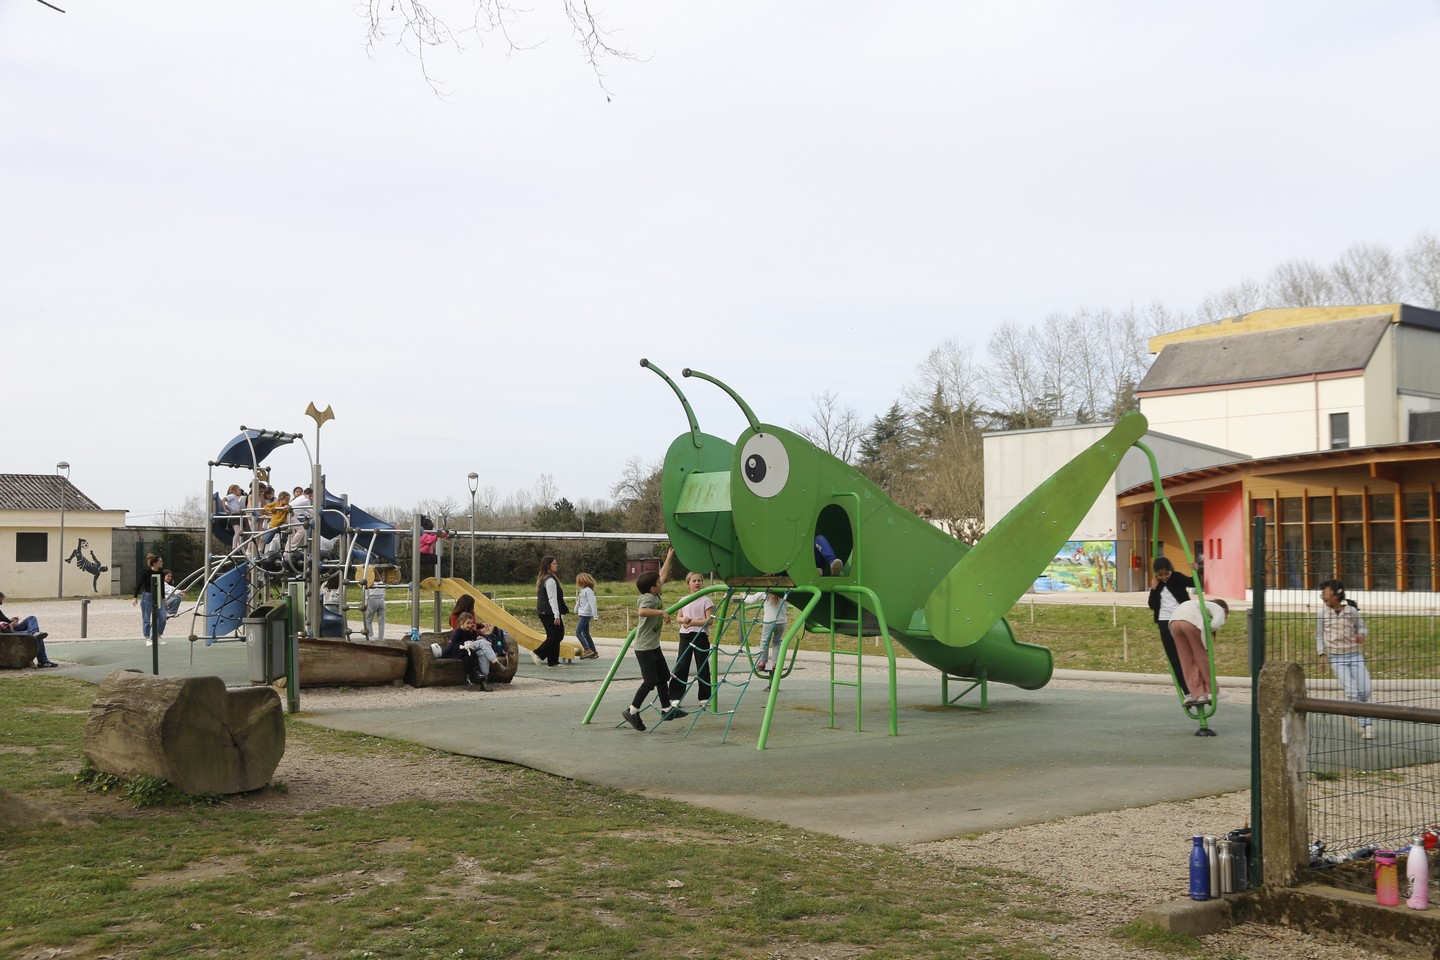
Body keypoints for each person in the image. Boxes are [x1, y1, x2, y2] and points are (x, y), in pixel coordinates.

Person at [620, 549, 685, 731]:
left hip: (653, 646)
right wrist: (662, 612)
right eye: (658, 583)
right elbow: (642, 612)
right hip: (644, 648)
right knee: (649, 681)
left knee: (663, 677)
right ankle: (632, 711)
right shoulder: (647, 598)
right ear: (652, 588)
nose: (661, 582)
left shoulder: (654, 593)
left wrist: (670, 556)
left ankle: (666, 709)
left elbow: (661, 575)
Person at [1316, 579, 1374, 740]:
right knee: (1351, 692)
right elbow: (1319, 635)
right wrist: (1322, 655)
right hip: (1336, 658)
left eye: (1326, 593)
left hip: (1355, 655)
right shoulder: (1322, 614)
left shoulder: (1351, 612)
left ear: (1337, 594)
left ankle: (1352, 709)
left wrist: (1361, 634)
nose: (1323, 597)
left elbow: (1361, 627)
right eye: (1322, 594)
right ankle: (1366, 724)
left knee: (1366, 689)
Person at [1169, 596, 1229, 707]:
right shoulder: (1218, 608)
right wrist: (1211, 628)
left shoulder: (1200, 605)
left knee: (1186, 660)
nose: (1225, 619)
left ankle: (1197, 693)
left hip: (1173, 624)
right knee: (1201, 658)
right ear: (1225, 611)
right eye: (1226, 617)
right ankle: (1214, 691)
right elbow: (1215, 624)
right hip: (1190, 622)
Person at [1147, 557, 1194, 697]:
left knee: (1187, 653)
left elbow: (1193, 582)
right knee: (1174, 657)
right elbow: (1151, 605)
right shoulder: (1157, 583)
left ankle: (1197, 686)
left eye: (1166, 574)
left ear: (1170, 570)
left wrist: (1196, 571)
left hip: (1180, 618)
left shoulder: (1177, 577)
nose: (1164, 577)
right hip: (1164, 621)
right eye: (1160, 575)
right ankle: (1187, 691)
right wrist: (1154, 589)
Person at [670, 570, 716, 705]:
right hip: (685, 635)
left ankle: (704, 696)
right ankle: (675, 696)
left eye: (699, 581)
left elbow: (710, 620)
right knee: (682, 664)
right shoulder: (684, 600)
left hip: (700, 635)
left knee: (702, 665)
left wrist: (693, 622)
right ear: (688, 584)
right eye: (694, 581)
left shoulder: (706, 600)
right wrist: (684, 619)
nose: (697, 583)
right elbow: (678, 618)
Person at [442, 612, 499, 690]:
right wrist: (463, 646)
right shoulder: (458, 631)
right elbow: (453, 644)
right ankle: (475, 673)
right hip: (455, 651)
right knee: (471, 653)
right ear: (461, 622)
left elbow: (472, 640)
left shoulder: (468, 631)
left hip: (465, 650)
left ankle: (483, 680)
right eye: (467, 623)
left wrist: (475, 631)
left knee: (482, 653)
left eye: (471, 623)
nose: (469, 625)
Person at [0, 591, 56, 667]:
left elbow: (2, 620)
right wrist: (10, 625)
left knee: (31, 618)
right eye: (1, 600)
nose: (2, 603)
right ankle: (43, 661)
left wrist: (10, 620)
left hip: (9, 628)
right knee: (38, 636)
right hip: (7, 632)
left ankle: (34, 632)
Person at [743, 589, 789, 675]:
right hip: (782, 621)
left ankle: (762, 662)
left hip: (769, 621)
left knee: (765, 641)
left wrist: (743, 595)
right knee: (778, 642)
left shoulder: (765, 591)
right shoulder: (785, 591)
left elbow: (751, 600)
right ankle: (776, 663)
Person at [534, 555, 568, 666]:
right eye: (554, 563)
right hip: (549, 612)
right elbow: (552, 598)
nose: (556, 565)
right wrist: (556, 615)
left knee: (553, 635)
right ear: (548, 566)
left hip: (543, 611)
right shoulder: (550, 580)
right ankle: (538, 653)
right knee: (557, 635)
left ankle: (553, 661)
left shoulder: (543, 579)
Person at [132, 553, 168, 646]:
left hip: (158, 596)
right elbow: (139, 584)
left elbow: (162, 587)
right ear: (155, 563)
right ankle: (147, 637)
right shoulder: (146, 573)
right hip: (147, 596)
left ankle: (157, 635)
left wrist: (164, 599)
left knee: (163, 617)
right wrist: (135, 597)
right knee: (147, 618)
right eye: (160, 561)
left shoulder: (161, 573)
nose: (162, 562)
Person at [574, 572, 599, 659]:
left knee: (578, 632)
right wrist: (576, 609)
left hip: (586, 614)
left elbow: (593, 603)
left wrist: (595, 615)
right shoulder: (582, 590)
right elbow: (579, 601)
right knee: (586, 634)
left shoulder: (588, 591)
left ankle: (587, 649)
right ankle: (594, 652)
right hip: (582, 613)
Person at [363, 577, 387, 641]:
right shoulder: (381, 582)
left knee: (368, 619)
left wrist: (366, 604)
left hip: (372, 599)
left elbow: (366, 594)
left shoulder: (369, 582)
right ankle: (381, 638)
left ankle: (371, 637)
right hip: (381, 600)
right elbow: (384, 593)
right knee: (381, 621)